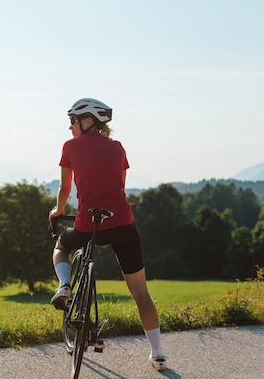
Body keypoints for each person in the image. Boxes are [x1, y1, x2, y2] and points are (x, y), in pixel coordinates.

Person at [48, 98, 167, 371]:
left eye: (73, 120)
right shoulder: (118, 148)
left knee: (61, 248)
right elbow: (121, 187)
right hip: (122, 223)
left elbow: (65, 189)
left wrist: (58, 210)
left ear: (88, 121)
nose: (70, 126)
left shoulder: (70, 147)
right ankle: (158, 354)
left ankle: (65, 285)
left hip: (86, 225)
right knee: (140, 292)